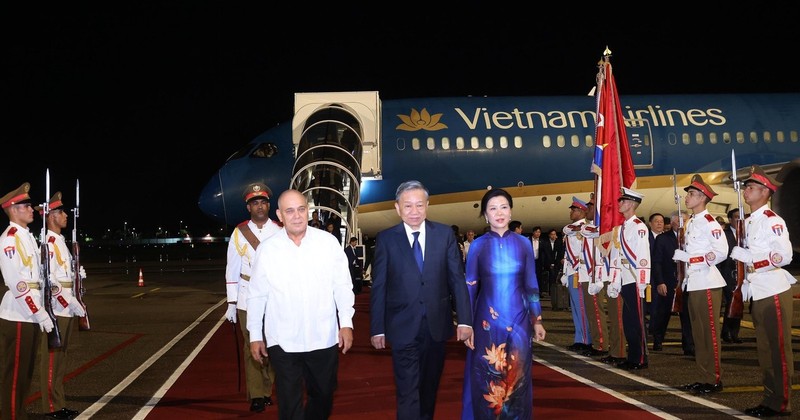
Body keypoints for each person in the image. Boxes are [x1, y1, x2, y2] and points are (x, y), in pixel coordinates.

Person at [247, 189, 355, 419]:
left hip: (323, 336)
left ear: (308, 211)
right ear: (280, 215)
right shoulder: (267, 250)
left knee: (324, 394)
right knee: (289, 401)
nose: (296, 216)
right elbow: (256, 294)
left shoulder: (328, 243)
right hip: (282, 339)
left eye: (301, 209)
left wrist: (346, 323)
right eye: (289, 211)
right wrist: (255, 334)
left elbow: (343, 286)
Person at [369, 180, 472, 420]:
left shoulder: (445, 234)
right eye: (408, 206)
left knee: (429, 388)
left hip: (436, 326)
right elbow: (379, 286)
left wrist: (465, 320)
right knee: (407, 390)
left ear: (427, 205)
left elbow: (457, 279)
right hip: (401, 326)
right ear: (397, 208)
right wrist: (377, 328)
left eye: (419, 205)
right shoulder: (386, 239)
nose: (414, 212)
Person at [461, 188, 545, 419]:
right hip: (486, 324)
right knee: (487, 380)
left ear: (510, 211)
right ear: (485, 216)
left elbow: (531, 284)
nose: (499, 213)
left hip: (519, 324)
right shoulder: (477, 246)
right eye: (493, 208)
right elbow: (470, 287)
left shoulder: (523, 244)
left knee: (518, 380)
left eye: (504, 207)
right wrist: (466, 324)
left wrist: (536, 320)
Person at [731, 165, 794, 417]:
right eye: (746, 187)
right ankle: (770, 398)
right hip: (758, 289)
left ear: (765, 192)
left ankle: (781, 402)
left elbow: (784, 255)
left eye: (750, 187)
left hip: (773, 289)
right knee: (765, 350)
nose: (745, 191)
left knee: (778, 349)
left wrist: (752, 258)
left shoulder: (772, 221)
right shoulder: (749, 222)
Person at [224, 182, 281, 412]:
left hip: (274, 298)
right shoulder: (239, 233)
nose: (259, 206)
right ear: (248, 207)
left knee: (275, 347)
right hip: (247, 298)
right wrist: (231, 301)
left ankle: (267, 389)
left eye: (263, 202)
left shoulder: (280, 230)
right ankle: (256, 395)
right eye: (254, 203)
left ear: (269, 205)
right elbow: (232, 269)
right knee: (252, 347)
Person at [0, 182, 53, 420]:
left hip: (29, 312)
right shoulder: (10, 239)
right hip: (19, 313)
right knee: (15, 376)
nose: (32, 209)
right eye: (27, 205)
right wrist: (38, 312)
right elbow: (17, 282)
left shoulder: (27, 237)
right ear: (13, 209)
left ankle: (17, 413)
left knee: (26, 372)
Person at [674, 174, 728, 394]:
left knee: (709, 333)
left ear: (703, 198)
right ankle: (704, 376)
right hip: (694, 283)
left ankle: (714, 379)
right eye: (688, 193)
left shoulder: (709, 222)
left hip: (707, 282)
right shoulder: (692, 221)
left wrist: (690, 259)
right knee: (698, 334)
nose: (687, 197)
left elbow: (721, 252)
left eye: (692, 194)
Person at [37, 192, 86, 420]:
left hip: (65, 306)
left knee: (61, 358)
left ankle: (59, 403)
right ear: (51, 216)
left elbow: (63, 275)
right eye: (61, 212)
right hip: (56, 307)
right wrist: (69, 300)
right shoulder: (47, 243)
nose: (66, 216)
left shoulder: (60, 242)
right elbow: (49, 279)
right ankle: (51, 407)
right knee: (51, 359)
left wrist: (77, 276)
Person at [608, 188, 650, 370]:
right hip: (624, 278)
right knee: (628, 320)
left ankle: (639, 358)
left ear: (632, 204)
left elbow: (643, 257)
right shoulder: (621, 228)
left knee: (636, 321)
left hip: (634, 278)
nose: (619, 204)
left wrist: (642, 282)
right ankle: (632, 356)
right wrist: (614, 280)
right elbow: (616, 257)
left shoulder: (639, 227)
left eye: (623, 201)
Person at [650, 210, 694, 354]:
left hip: (687, 282)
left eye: (686, 221)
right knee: (663, 314)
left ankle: (688, 345)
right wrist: (660, 282)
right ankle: (658, 339)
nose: (683, 224)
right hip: (668, 283)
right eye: (681, 220)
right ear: (673, 221)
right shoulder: (663, 239)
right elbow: (656, 262)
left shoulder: (691, 237)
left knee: (687, 316)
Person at [561, 197, 592, 353]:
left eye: (573, 210)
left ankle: (586, 340)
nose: (571, 212)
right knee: (575, 308)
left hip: (580, 272)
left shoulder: (585, 228)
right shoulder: (572, 228)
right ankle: (579, 338)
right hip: (572, 272)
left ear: (581, 211)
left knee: (581, 308)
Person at [719, 208, 742, 344]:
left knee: (738, 302)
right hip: (727, 273)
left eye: (741, 217)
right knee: (730, 302)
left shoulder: (745, 234)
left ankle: (734, 333)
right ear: (730, 220)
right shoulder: (724, 234)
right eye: (736, 217)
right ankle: (726, 332)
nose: (739, 220)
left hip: (741, 274)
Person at [540, 228, 566, 311]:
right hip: (548, 263)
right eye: (551, 234)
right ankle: (550, 293)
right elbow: (545, 254)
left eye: (554, 234)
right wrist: (549, 263)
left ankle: (556, 295)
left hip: (557, 263)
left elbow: (560, 253)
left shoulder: (559, 242)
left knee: (555, 278)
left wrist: (556, 262)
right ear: (549, 235)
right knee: (550, 278)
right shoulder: (545, 243)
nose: (553, 236)